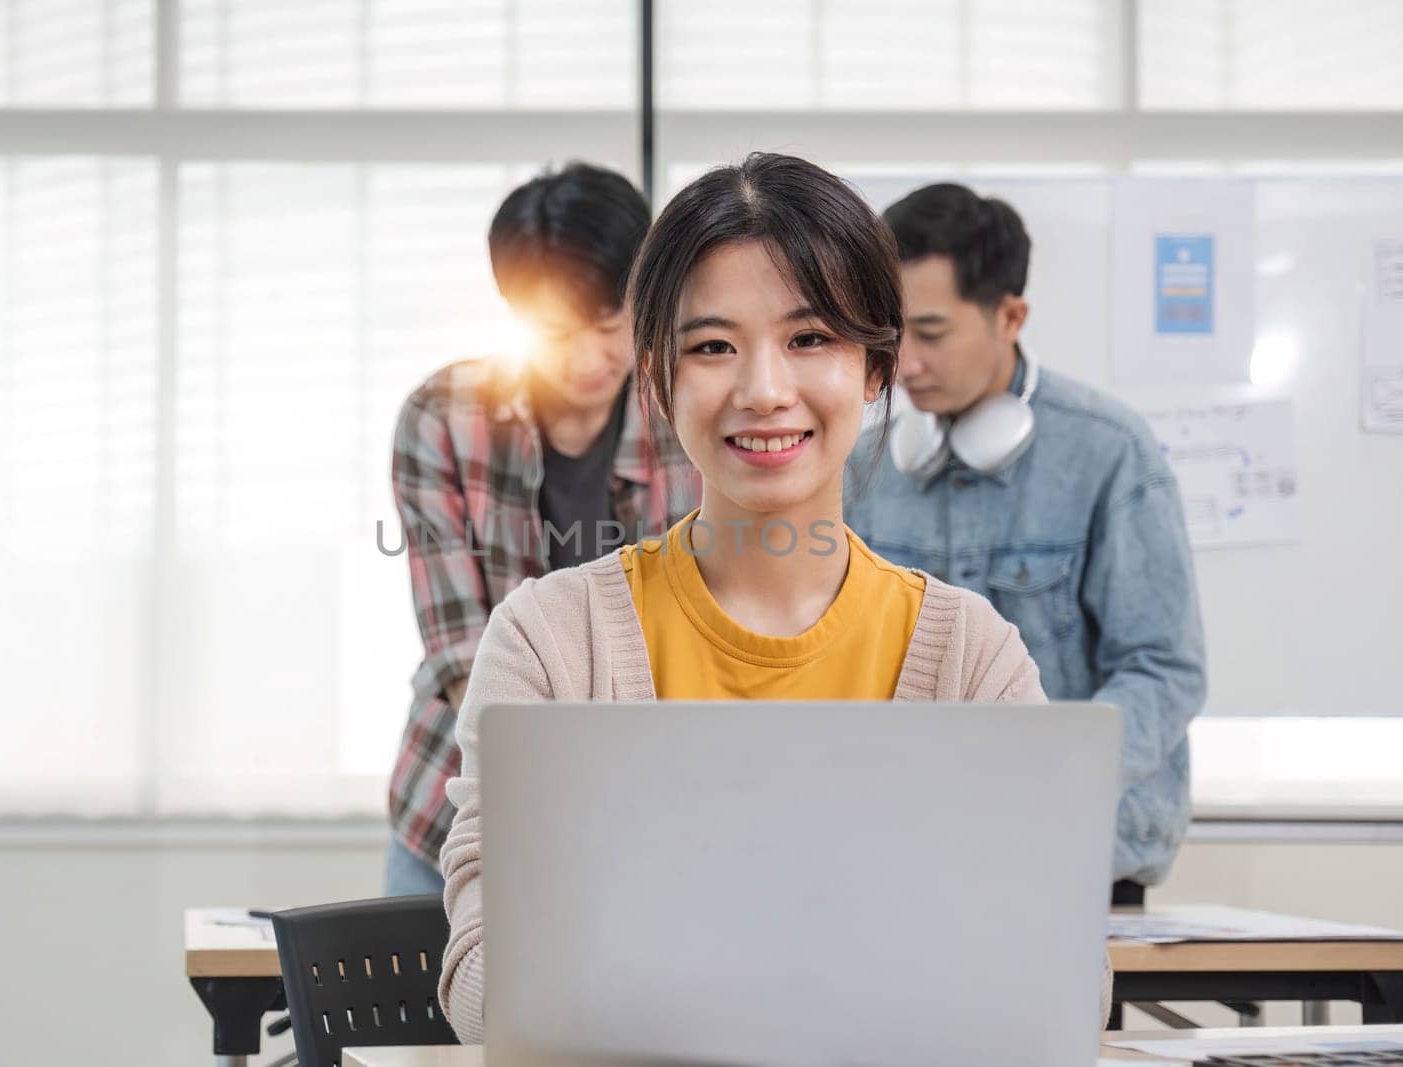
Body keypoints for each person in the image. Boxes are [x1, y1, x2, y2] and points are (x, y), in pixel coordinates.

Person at [436, 153, 1108, 1042]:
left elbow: (1061, 982)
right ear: (658, 380)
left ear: (877, 368)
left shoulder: (967, 653)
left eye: (810, 339)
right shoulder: (551, 640)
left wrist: (664, 965)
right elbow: (483, 981)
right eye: (712, 345)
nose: (763, 391)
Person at [845, 182, 1207, 901]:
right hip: (905, 859)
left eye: (932, 332)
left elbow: (1165, 668)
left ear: (1010, 315)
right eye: (890, 334)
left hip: (1073, 859)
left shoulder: (1110, 451)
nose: (903, 363)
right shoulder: (863, 463)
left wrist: (1051, 778)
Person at [385, 162, 700, 897]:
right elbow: (462, 648)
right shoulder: (441, 417)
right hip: (456, 799)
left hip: (647, 815)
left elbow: (695, 641)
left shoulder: (690, 415)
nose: (590, 359)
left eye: (611, 326)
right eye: (556, 333)